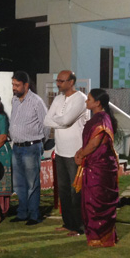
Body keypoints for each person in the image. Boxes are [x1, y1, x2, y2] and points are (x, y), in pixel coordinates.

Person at [44, 70, 89, 237]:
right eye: (58, 81)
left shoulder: (81, 99)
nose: (58, 84)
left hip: (75, 152)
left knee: (76, 191)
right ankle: (68, 223)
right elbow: (46, 120)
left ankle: (80, 227)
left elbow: (67, 120)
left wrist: (58, 121)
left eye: (62, 81)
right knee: (63, 190)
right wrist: (60, 122)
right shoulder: (57, 98)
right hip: (60, 151)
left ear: (71, 82)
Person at [74, 88, 120, 248]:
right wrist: (81, 152)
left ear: (97, 102)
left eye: (89, 99)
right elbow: (90, 143)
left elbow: (95, 143)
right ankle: (94, 236)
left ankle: (102, 238)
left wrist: (81, 155)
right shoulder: (98, 118)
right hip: (93, 165)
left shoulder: (102, 120)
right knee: (89, 202)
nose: (86, 101)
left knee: (97, 203)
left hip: (100, 168)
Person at [9, 71, 49, 225]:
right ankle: (22, 212)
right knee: (19, 183)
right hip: (17, 147)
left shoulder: (36, 101)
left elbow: (45, 125)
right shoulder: (14, 100)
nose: (14, 88)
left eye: (17, 85)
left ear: (26, 85)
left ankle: (34, 215)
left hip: (31, 147)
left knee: (32, 183)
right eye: (13, 84)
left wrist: (40, 143)